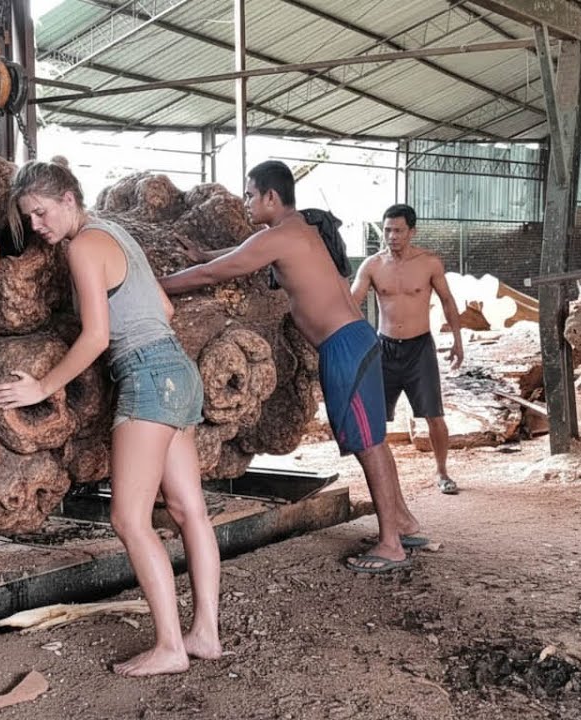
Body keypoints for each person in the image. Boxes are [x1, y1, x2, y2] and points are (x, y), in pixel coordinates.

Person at [0, 161, 220, 676]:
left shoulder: (84, 246)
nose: (39, 227)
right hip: (178, 370)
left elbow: (95, 337)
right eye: (31, 218)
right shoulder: (115, 233)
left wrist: (42, 388)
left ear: (69, 199)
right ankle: (204, 633)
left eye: (42, 213)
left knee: (128, 518)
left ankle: (169, 647)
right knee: (189, 511)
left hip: (147, 376)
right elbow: (164, 306)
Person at [159, 160, 424, 574]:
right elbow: (239, 255)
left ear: (270, 196)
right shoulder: (298, 229)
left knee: (368, 446)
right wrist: (206, 253)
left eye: (250, 195)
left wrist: (158, 285)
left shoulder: (280, 236)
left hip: (344, 349)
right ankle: (403, 522)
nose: (246, 203)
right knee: (375, 441)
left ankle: (390, 543)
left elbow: (214, 273)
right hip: (358, 340)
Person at [349, 204, 464, 495]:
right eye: (387, 230)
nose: (392, 236)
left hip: (419, 348)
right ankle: (381, 478)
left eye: (398, 230)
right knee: (376, 419)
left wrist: (458, 340)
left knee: (434, 416)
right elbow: (352, 303)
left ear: (412, 231)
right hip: (384, 349)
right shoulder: (372, 265)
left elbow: (448, 301)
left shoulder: (429, 263)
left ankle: (442, 472)